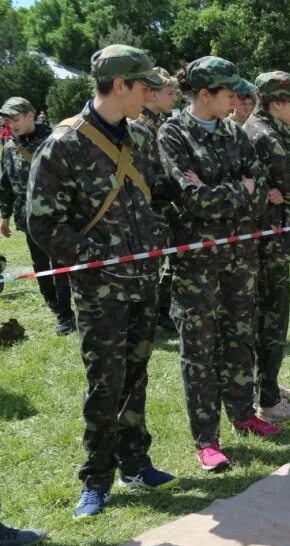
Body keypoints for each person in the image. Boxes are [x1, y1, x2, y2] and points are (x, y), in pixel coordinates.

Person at [27, 45, 180, 518]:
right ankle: (96, 480)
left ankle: (135, 463)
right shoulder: (64, 144)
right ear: (120, 86)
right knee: (104, 384)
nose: (150, 95)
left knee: (136, 376)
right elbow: (41, 223)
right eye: (144, 87)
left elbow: (158, 191)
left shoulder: (139, 135)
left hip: (143, 281)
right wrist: (98, 256)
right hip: (101, 291)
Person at [158, 56, 279, 474]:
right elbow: (192, 199)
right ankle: (207, 440)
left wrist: (231, 191)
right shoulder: (172, 134)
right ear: (204, 95)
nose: (237, 99)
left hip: (239, 258)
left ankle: (243, 413)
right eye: (230, 93)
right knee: (200, 349)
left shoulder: (234, 132)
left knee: (239, 336)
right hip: (197, 264)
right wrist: (238, 190)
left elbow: (261, 186)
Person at [243, 72, 290, 422]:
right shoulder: (267, 135)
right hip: (267, 244)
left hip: (266, 239)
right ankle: (269, 400)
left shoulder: (259, 130)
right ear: (276, 104)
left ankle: (265, 386)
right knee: (271, 322)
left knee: (265, 321)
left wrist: (283, 192)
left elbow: (287, 191)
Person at [0, 96, 74, 335]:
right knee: (40, 265)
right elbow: (6, 184)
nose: (12, 124)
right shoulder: (10, 146)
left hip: (55, 215)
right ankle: (53, 304)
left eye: (16, 118)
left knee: (59, 265)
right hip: (27, 218)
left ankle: (65, 314)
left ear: (30, 115)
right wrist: (4, 215)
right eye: (8, 120)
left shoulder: (54, 140)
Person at [133, 67, 179, 334]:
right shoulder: (140, 127)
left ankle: (160, 313)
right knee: (149, 267)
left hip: (160, 209)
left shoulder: (157, 124)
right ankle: (145, 319)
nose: (174, 98)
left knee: (160, 264)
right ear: (151, 95)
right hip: (149, 211)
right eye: (169, 93)